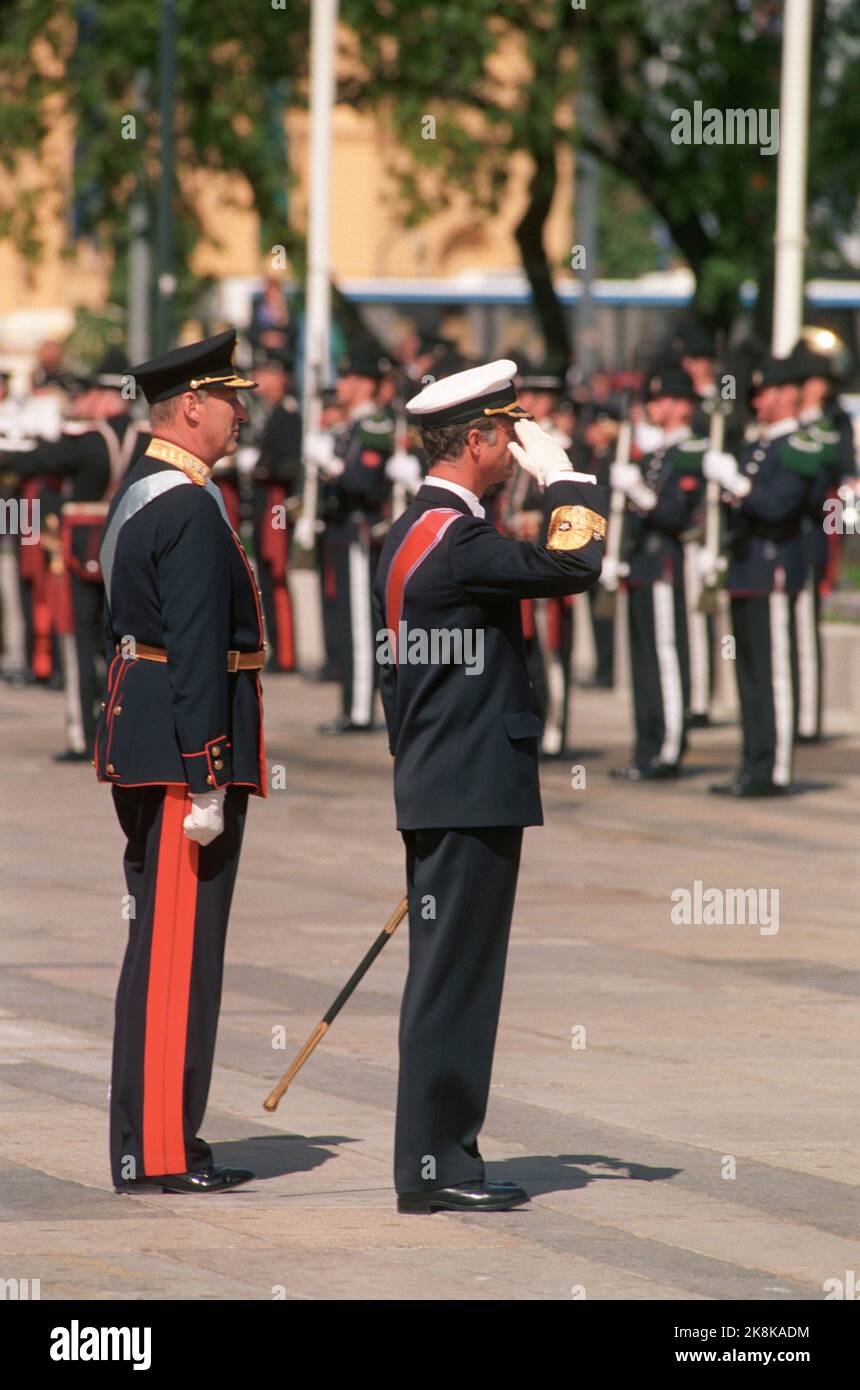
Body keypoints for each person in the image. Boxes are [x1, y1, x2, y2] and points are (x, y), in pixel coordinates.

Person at [372, 359, 607, 1213]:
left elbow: (393, 679)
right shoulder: (460, 541)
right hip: (467, 786)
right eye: (505, 433)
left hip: (442, 780)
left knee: (449, 978)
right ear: (473, 440)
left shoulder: (410, 531)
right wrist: (573, 481)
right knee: (458, 984)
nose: (514, 447)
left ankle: (439, 1158)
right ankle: (438, 1167)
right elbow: (573, 564)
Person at [95, 329, 266, 1194]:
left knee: (165, 951)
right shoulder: (188, 506)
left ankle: (154, 1139)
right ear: (190, 405)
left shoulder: (144, 491)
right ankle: (158, 1149)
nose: (243, 412)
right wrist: (207, 773)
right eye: (232, 398)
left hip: (149, 739)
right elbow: (196, 649)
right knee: (174, 960)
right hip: (180, 759)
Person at [705, 354, 824, 797]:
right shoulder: (759, 446)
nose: (756, 401)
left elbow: (777, 507)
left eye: (765, 392)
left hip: (774, 566)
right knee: (749, 675)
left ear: (788, 394)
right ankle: (753, 762)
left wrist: (735, 485)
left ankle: (773, 767)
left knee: (774, 674)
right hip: (745, 568)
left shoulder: (799, 445)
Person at [609, 364, 706, 782]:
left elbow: (674, 515)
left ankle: (668, 748)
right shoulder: (655, 454)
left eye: (662, 398)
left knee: (666, 657)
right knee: (643, 663)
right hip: (642, 566)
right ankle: (645, 747)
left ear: (683, 405)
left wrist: (637, 492)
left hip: (666, 566)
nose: (654, 406)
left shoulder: (692, 453)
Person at [307, 349, 394, 733]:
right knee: (347, 621)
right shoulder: (350, 428)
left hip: (361, 533)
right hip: (342, 531)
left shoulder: (374, 425)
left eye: (345, 379)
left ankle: (359, 709)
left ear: (362, 384)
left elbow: (365, 483)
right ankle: (352, 703)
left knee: (360, 624)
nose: (340, 386)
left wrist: (332, 466)